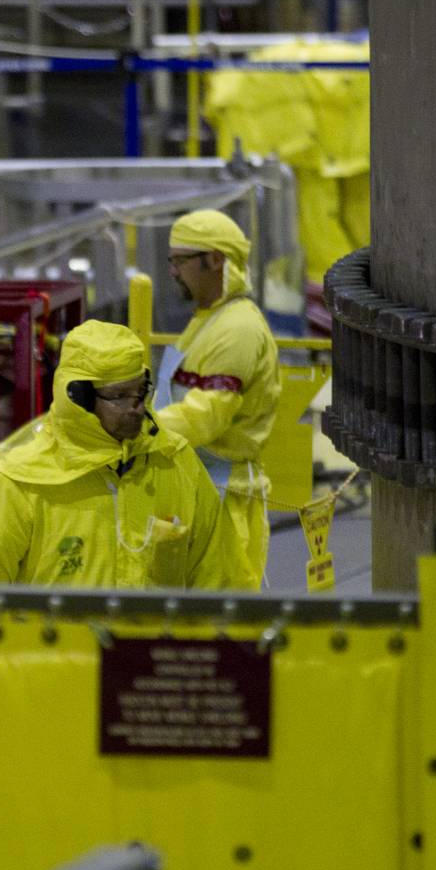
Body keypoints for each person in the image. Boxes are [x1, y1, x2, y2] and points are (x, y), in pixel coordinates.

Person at [0, 321, 245, 588]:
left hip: (151, 643)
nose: (135, 407)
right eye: (119, 396)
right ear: (78, 399)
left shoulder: (175, 463)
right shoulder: (27, 484)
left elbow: (219, 579)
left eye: (140, 392)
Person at [151, 210, 282, 588]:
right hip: (196, 489)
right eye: (171, 261)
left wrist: (137, 428)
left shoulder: (237, 328)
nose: (173, 271)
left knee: (221, 620)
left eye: (180, 260)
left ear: (215, 260)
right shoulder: (207, 320)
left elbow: (207, 417)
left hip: (225, 501)